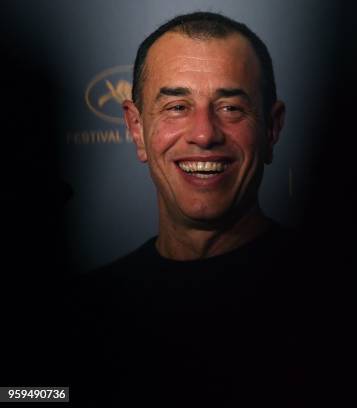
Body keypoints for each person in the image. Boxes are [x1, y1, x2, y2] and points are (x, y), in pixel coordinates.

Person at [73, 12, 318, 407]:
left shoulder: (349, 292)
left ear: (272, 128)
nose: (204, 133)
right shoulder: (81, 310)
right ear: (136, 128)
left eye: (231, 108)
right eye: (176, 107)